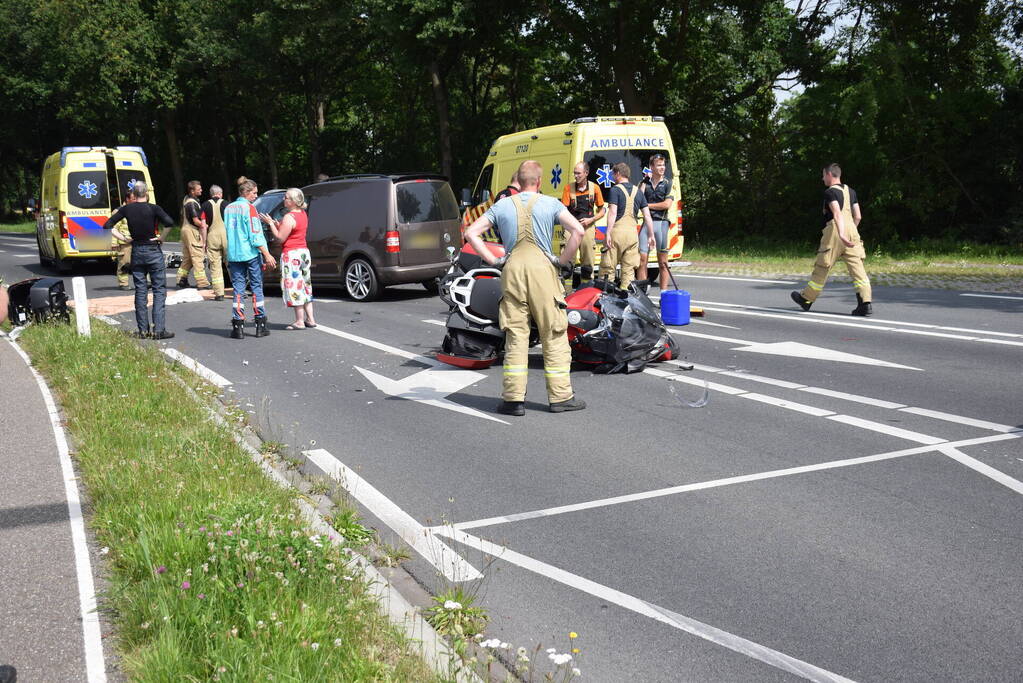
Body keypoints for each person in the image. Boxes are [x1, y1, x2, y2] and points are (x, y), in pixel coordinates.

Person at [464, 160, 587, 416]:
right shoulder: (550, 203)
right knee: (552, 332)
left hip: (512, 271)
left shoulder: (502, 205)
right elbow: (577, 230)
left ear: (518, 181)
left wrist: (494, 260)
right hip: (543, 271)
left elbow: (472, 232)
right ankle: (560, 397)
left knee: (516, 335)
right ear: (539, 182)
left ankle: (513, 400)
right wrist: (562, 261)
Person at [791, 163, 873, 316]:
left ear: (829, 174)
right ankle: (865, 303)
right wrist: (850, 231)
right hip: (852, 232)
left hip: (835, 231)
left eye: (823, 175)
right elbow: (858, 216)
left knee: (823, 265)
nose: (822, 179)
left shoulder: (830, 192)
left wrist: (841, 234)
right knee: (858, 269)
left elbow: (836, 213)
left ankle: (806, 299)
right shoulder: (851, 191)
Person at [104, 182, 176, 339]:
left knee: (141, 290)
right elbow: (170, 223)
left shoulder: (126, 209)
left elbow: (108, 225)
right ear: (146, 193)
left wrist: (124, 239)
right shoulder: (154, 208)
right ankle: (159, 330)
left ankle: (142, 330)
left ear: (134, 195)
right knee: (158, 290)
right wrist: (161, 238)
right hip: (153, 250)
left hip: (136, 250)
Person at [225, 177, 277, 339]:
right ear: (246, 192)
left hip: (234, 254)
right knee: (256, 287)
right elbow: (255, 235)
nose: (256, 196)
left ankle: (238, 325)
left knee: (238, 289)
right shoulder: (250, 209)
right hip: (251, 254)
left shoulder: (228, 208)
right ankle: (260, 324)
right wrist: (267, 254)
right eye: (254, 193)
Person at [260, 188, 316, 329]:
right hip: (303, 252)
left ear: (292, 201)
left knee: (294, 285)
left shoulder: (289, 217)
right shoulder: (302, 214)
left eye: (286, 197)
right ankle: (311, 319)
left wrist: (271, 224)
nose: (284, 199)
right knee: (305, 285)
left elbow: (280, 238)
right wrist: (277, 224)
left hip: (292, 254)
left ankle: (299, 321)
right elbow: (293, 230)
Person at [600, 163, 654, 290]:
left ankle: (607, 297)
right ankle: (626, 300)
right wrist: (651, 235)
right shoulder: (639, 192)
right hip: (632, 235)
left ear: (618, 173)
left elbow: (612, 212)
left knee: (608, 269)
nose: (613, 177)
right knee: (629, 271)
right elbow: (647, 215)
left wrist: (608, 233)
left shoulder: (615, 190)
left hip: (617, 233)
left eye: (613, 174)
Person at [560, 161, 605, 281]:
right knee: (567, 266)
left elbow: (602, 211)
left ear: (586, 173)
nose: (576, 176)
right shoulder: (568, 188)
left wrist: (591, 219)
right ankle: (567, 294)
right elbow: (563, 211)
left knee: (587, 266)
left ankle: (586, 292)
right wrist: (572, 224)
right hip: (571, 228)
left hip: (588, 227)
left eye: (578, 173)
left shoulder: (595, 188)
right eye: (575, 173)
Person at [638, 154, 674, 290]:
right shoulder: (644, 184)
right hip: (646, 224)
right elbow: (638, 200)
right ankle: (642, 294)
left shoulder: (668, 183)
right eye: (658, 165)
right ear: (651, 167)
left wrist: (646, 206)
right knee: (642, 260)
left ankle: (663, 294)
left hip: (661, 223)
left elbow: (666, 204)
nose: (662, 168)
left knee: (663, 262)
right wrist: (642, 187)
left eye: (663, 165)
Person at [175, 180, 211, 289]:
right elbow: (196, 220)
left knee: (188, 258)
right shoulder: (192, 203)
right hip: (191, 230)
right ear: (192, 191)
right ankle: (202, 282)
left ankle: (181, 279)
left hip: (185, 230)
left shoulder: (187, 200)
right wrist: (205, 225)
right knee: (197, 256)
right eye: (198, 189)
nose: (201, 190)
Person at [202, 185, 228, 301]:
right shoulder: (227, 204)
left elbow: (203, 226)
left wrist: (204, 242)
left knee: (215, 265)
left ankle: (219, 293)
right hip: (227, 237)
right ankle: (239, 291)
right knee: (232, 265)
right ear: (221, 194)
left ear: (211, 194)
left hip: (212, 237)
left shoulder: (205, 205)